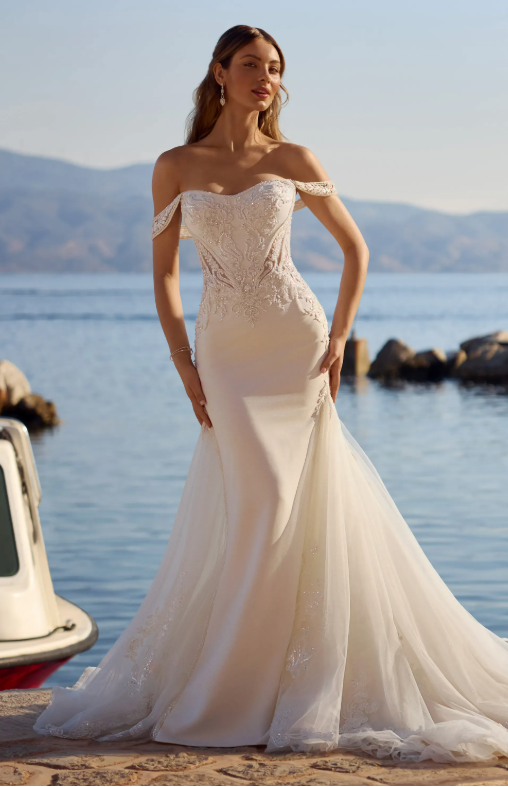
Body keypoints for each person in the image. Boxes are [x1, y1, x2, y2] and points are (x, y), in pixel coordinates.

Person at [34, 24, 508, 764]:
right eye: (252, 65)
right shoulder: (174, 166)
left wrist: (338, 339)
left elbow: (356, 249)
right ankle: (235, 681)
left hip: (294, 342)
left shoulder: (294, 159)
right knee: (259, 500)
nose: (266, 77)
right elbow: (162, 276)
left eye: (276, 68)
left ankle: (271, 681)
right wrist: (182, 361)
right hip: (224, 352)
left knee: (286, 501)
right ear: (219, 73)